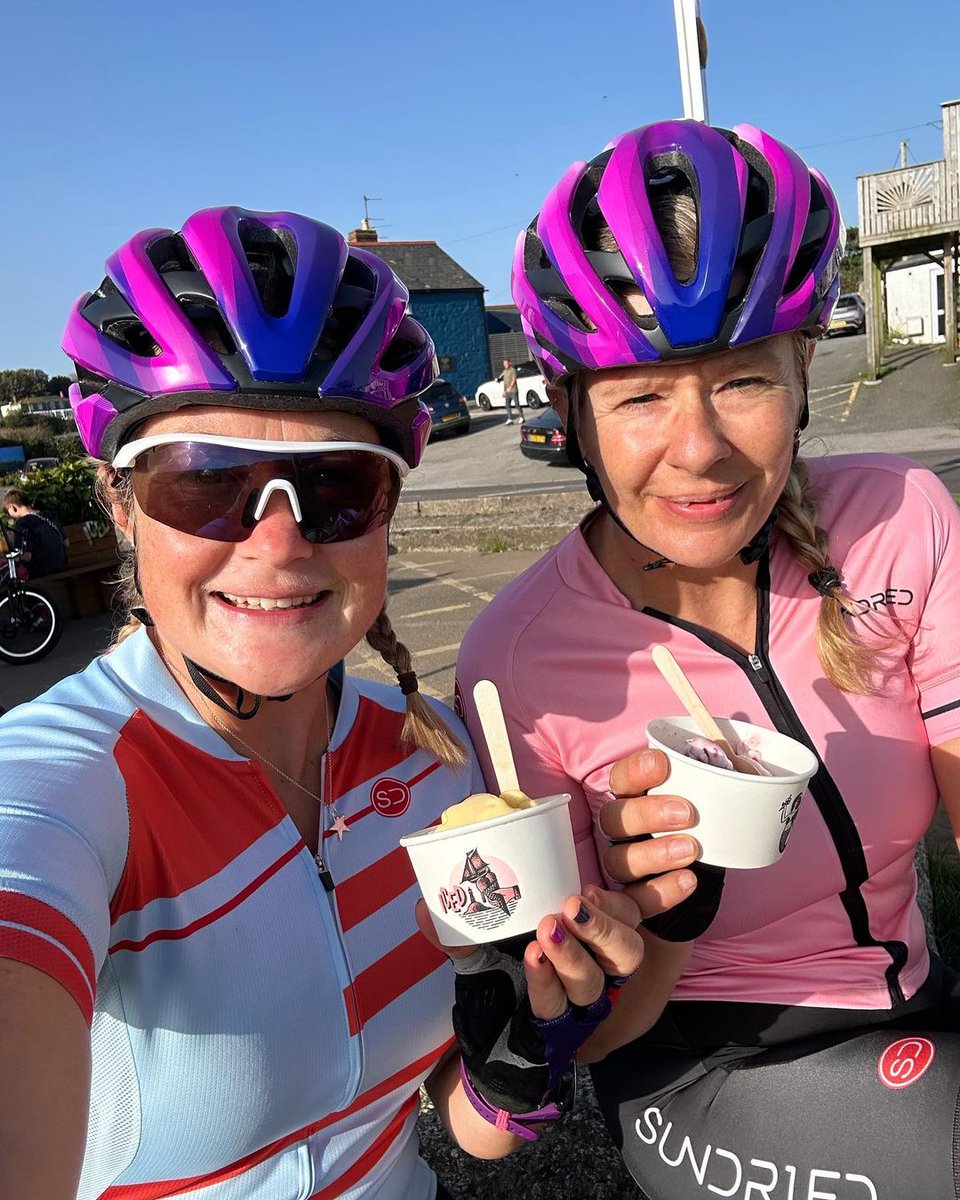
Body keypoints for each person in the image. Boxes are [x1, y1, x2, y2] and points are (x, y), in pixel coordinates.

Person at [0, 206, 645, 1199]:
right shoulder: (61, 783)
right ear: (120, 504)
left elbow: (459, 1127)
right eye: (205, 482)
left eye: (338, 486)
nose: (277, 543)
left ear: (387, 513)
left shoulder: (435, 767)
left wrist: (516, 1063)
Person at [456, 119, 960, 1196]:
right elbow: (580, 1037)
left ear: (804, 369)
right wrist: (664, 911)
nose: (699, 447)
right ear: (569, 415)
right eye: (640, 394)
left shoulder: (902, 516)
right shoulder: (519, 659)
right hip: (712, 1060)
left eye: (743, 382)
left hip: (915, 1004)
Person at [3, 487, 67, 577]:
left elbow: (27, 557)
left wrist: (7, 553)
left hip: (39, 571)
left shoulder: (22, 524)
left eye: (7, 511)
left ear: (12, 507)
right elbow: (66, 543)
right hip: (60, 565)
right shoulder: (49, 515)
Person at [501, 357, 521, 424]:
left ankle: (521, 417)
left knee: (517, 404)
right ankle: (510, 419)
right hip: (507, 391)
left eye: (506, 363)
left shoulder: (512, 370)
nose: (505, 364)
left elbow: (513, 379)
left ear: (509, 363)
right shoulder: (504, 371)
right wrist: (504, 391)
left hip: (513, 390)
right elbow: (505, 382)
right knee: (507, 405)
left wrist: (510, 387)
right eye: (504, 363)